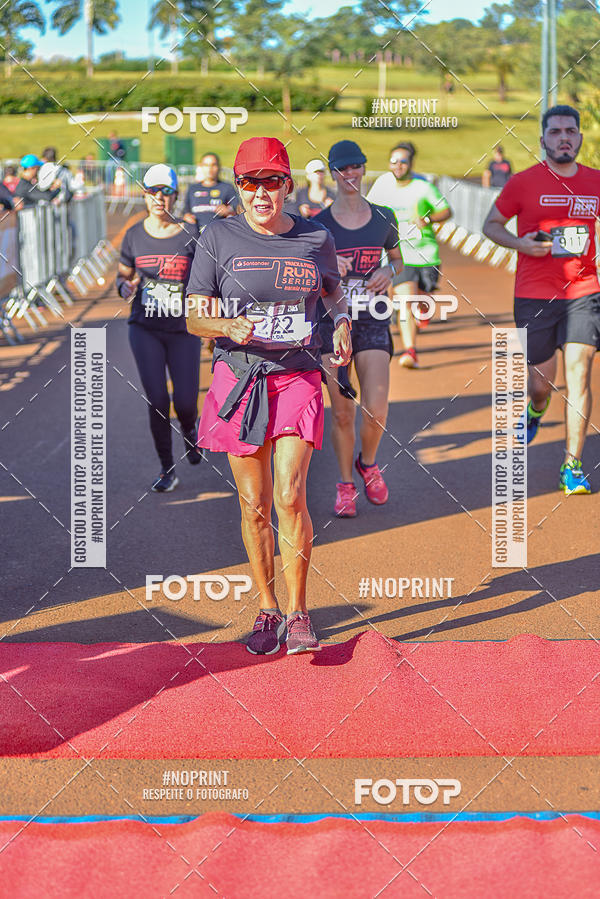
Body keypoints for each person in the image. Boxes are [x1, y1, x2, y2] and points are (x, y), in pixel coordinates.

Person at [186, 136, 352, 655]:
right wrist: (224, 324)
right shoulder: (217, 236)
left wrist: (342, 322)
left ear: (287, 185)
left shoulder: (315, 237)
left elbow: (333, 291)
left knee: (289, 495)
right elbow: (193, 316)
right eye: (250, 183)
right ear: (238, 187)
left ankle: (299, 613)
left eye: (272, 182)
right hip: (238, 379)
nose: (261, 193)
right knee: (254, 503)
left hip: (297, 375)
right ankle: (267, 607)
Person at [483, 104, 600, 495]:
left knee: (580, 371)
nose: (564, 137)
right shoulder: (523, 183)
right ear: (543, 140)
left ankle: (572, 466)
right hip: (535, 296)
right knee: (541, 383)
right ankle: (536, 409)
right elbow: (491, 225)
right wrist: (521, 244)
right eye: (555, 132)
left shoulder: (595, 181)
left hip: (584, 291)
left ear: (579, 137)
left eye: (570, 131)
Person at [316, 140, 402, 517]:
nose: (350, 174)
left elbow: (398, 260)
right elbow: (304, 273)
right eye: (342, 168)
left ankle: (367, 463)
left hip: (372, 318)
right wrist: (326, 265)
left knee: (376, 408)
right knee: (342, 413)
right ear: (332, 173)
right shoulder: (319, 224)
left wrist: (388, 270)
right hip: (332, 323)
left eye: (356, 166)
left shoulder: (384, 216)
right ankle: (345, 484)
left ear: (364, 168)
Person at [117, 164, 203, 493]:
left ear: (175, 196)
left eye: (165, 192)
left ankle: (190, 429)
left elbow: (206, 277)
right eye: (152, 191)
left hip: (183, 330)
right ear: (144, 195)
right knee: (156, 399)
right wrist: (124, 287)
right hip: (145, 328)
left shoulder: (190, 234)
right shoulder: (133, 235)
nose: (158, 198)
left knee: (185, 401)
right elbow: (123, 274)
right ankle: (167, 468)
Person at [367, 142, 452, 368]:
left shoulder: (423, 187)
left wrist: (428, 219)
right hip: (399, 254)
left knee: (421, 302)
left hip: (426, 254)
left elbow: (446, 211)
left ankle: (423, 310)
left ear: (411, 164)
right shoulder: (382, 184)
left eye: (403, 162)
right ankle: (410, 351)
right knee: (405, 301)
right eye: (394, 161)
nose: (398, 166)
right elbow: (369, 209)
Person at [183, 152, 238, 231]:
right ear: (201, 167)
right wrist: (187, 217)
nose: (210, 168)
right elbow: (185, 211)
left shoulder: (227, 187)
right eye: (206, 165)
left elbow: (238, 208)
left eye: (213, 165)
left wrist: (228, 210)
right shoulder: (192, 188)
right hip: (196, 232)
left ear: (219, 167)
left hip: (219, 231)